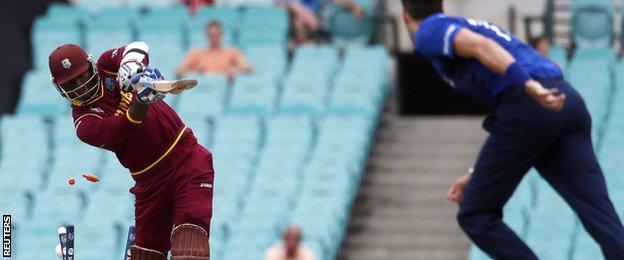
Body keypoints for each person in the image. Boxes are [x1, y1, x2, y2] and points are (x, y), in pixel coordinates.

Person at [400, 0, 624, 259]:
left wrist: (528, 86)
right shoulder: (461, 23)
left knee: (475, 214)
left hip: (531, 103)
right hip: (566, 102)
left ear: (405, 16)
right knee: (600, 215)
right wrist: (476, 172)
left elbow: (480, 46)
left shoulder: (429, 30)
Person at [48, 42, 213, 259]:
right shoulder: (85, 123)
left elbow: (138, 47)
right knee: (146, 255)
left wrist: (131, 67)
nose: (80, 86)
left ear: (92, 65)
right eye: (71, 84)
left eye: (81, 76)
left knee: (189, 245)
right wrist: (142, 100)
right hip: (149, 183)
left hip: (188, 161)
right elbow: (127, 125)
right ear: (60, 88)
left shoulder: (107, 64)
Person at [176, 21, 252, 81]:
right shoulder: (197, 54)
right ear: (206, 35)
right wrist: (196, 72)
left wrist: (233, 71)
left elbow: (248, 68)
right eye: (211, 35)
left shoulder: (232, 53)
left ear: (222, 34)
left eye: (217, 34)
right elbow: (179, 71)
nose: (214, 38)